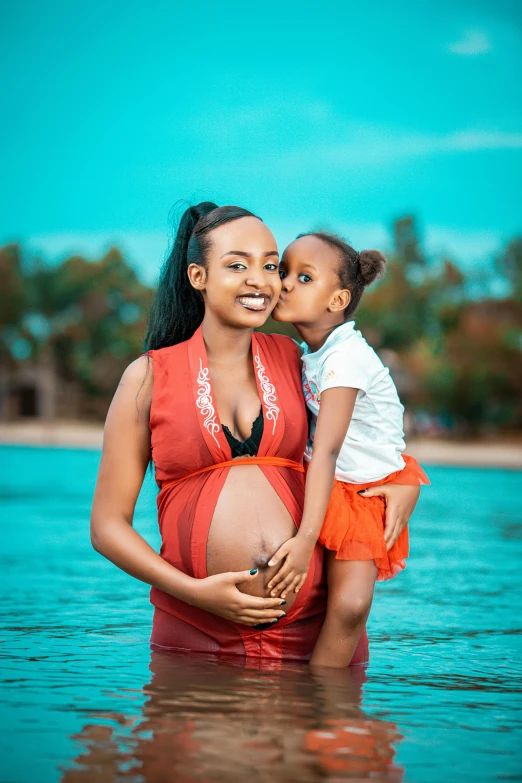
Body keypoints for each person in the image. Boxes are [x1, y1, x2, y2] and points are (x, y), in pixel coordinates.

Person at [90, 204, 420, 663]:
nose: (262, 280)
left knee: (332, 731)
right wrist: (195, 592)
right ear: (198, 276)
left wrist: (406, 478)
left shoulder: (298, 360)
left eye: (270, 265)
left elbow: (363, 431)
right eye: (237, 265)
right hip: (196, 634)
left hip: (315, 639)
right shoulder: (148, 378)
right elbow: (107, 528)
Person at [268, 232, 429, 667]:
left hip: (362, 489)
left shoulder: (346, 358)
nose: (283, 283)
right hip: (334, 477)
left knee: (350, 605)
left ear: (337, 299)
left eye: (303, 277)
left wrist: (303, 542)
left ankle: (330, 713)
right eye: (282, 271)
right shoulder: (310, 352)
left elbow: (329, 450)